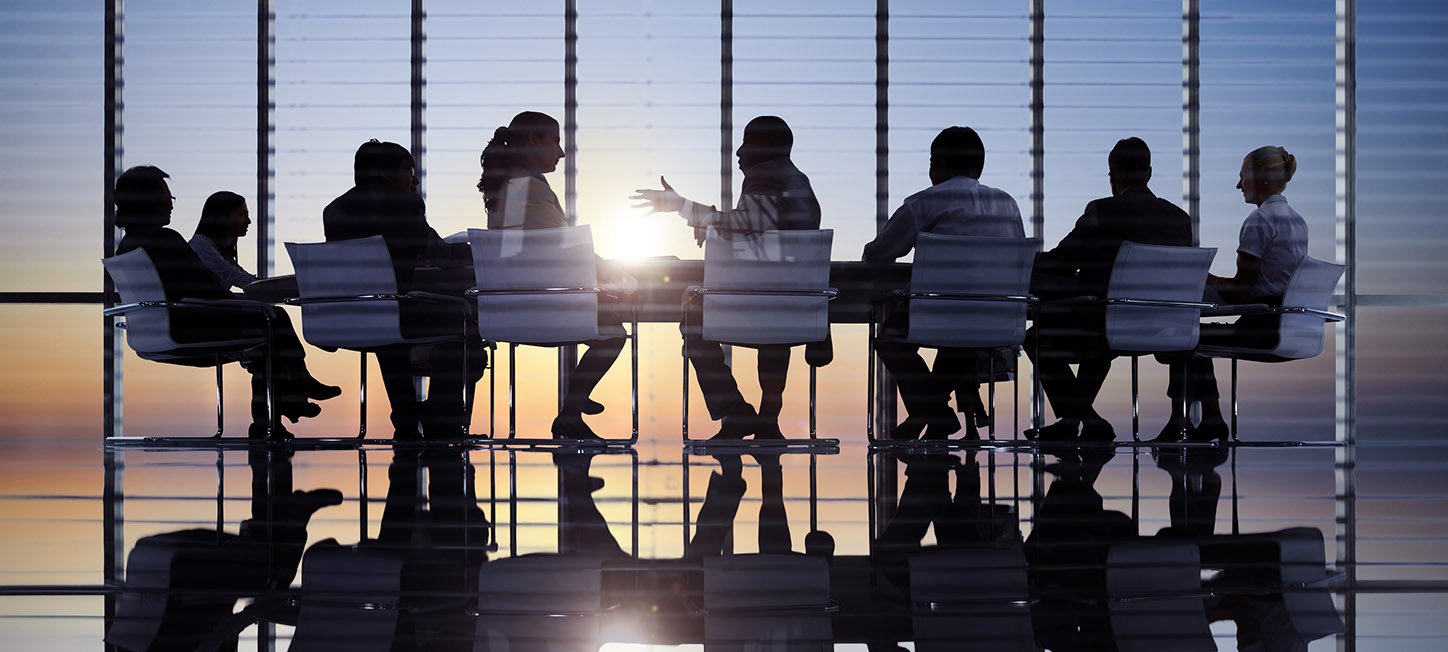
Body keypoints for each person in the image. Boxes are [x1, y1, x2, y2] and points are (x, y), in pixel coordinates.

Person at [111, 166, 338, 440]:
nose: (171, 204)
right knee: (273, 319)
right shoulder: (164, 239)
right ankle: (292, 395)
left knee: (264, 341)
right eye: (166, 196)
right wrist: (239, 303)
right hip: (189, 328)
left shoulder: (127, 246)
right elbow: (205, 288)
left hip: (156, 333)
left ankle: (277, 413)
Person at [632, 115, 823, 440]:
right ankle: (766, 418)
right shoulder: (798, 183)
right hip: (794, 307)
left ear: (763, 148)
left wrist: (682, 207)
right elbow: (766, 239)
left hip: (756, 303)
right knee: (775, 330)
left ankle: (735, 412)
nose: (738, 152)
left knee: (693, 319)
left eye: (746, 143)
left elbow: (748, 222)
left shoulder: (765, 176)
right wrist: (715, 228)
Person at [863, 126, 1027, 440]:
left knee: (890, 338)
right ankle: (935, 415)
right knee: (958, 342)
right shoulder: (1008, 205)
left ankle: (934, 411)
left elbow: (880, 254)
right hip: (999, 321)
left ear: (936, 164)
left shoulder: (925, 202)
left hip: (941, 316)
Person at [1025, 137, 1192, 442]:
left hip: (1109, 324)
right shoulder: (1179, 219)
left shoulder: (1103, 211)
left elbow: (1060, 263)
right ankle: (1074, 421)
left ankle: (1087, 418)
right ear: (1150, 172)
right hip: (1166, 330)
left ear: (1112, 175)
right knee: (1100, 337)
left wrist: (1028, 259)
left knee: (1036, 337)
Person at [478, 111, 631, 440]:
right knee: (613, 332)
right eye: (556, 142)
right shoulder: (525, 187)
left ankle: (574, 406)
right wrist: (612, 272)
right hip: (538, 309)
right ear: (534, 140)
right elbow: (559, 247)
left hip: (508, 308)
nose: (561, 153)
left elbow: (520, 249)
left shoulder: (510, 185)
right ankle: (571, 411)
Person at [323, 140, 484, 439]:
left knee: (387, 325)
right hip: (394, 313)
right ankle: (441, 418)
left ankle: (407, 419)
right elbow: (441, 256)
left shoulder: (333, 210)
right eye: (410, 170)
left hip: (347, 315)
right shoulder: (404, 202)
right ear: (391, 173)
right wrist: (481, 250)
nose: (415, 179)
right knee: (468, 328)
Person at [1157, 146, 1307, 442]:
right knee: (1192, 338)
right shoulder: (1297, 221)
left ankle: (1182, 423)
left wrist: (1206, 278)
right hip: (1287, 323)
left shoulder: (1259, 221)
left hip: (1261, 327)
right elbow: (1263, 285)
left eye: (1242, 178)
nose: (1239, 186)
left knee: (1179, 339)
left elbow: (1242, 292)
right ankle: (1209, 420)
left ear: (1263, 178)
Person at [188, 190, 258, 289]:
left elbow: (240, 274)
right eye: (242, 215)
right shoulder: (200, 243)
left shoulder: (220, 250)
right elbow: (232, 275)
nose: (249, 221)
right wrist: (269, 287)